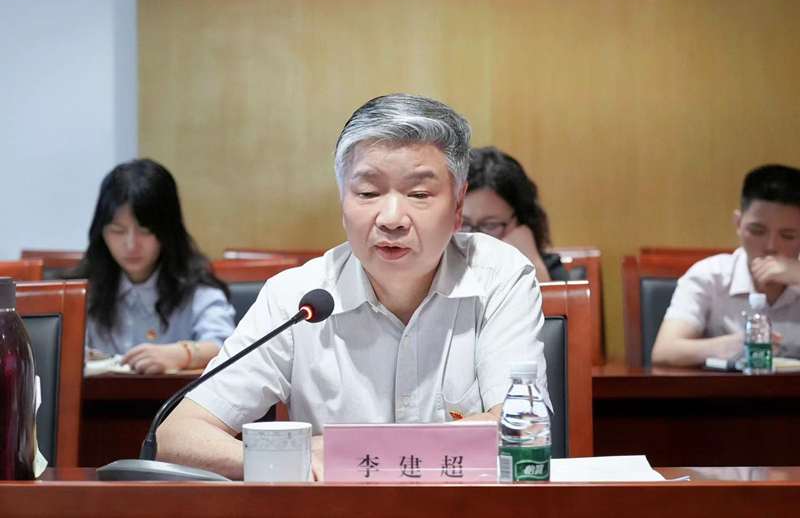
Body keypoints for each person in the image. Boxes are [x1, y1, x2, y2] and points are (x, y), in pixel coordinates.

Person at [158, 94, 550, 480]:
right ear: (343, 200)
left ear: (458, 206)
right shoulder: (296, 298)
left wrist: (348, 450)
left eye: (418, 194)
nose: (391, 219)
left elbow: (519, 430)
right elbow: (177, 435)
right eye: (367, 193)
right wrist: (292, 458)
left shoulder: (499, 277)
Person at [71, 159, 236, 374]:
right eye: (118, 231)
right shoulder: (80, 291)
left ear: (167, 231)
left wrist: (181, 354)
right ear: (100, 232)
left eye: (145, 231)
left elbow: (228, 347)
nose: (131, 245)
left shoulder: (197, 290)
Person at [651, 164, 800, 367]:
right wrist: (730, 346)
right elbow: (664, 351)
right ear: (738, 223)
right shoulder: (709, 276)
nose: (771, 247)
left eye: (787, 236)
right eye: (757, 231)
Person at [463, 147, 569, 282]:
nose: (475, 236)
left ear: (520, 219)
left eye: (490, 225)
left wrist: (530, 260)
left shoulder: (549, 268)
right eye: (463, 223)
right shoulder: (441, 264)